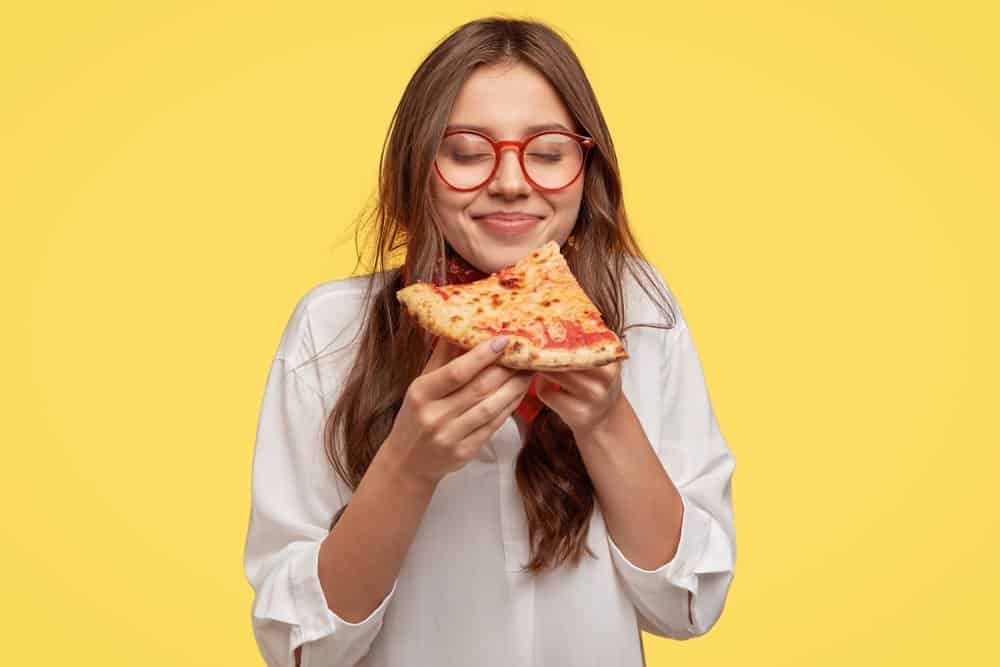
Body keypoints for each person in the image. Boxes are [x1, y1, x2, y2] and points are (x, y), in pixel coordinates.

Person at [243, 16, 736, 667]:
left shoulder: (641, 311)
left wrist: (608, 419)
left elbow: (689, 604)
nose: (509, 181)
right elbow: (301, 648)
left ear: (588, 170)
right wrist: (408, 463)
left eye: (549, 152)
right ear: (420, 168)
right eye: (469, 152)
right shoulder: (331, 329)